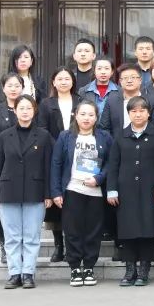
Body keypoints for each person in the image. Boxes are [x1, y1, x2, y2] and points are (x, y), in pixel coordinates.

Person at [0, 94, 53, 289]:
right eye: (21, 108)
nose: (25, 112)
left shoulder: (44, 135)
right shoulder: (5, 135)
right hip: (8, 190)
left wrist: (48, 194)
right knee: (12, 236)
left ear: (35, 111)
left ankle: (28, 274)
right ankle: (14, 273)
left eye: (29, 108)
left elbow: (48, 167)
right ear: (15, 111)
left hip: (35, 191)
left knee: (32, 236)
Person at [51, 100, 113, 287]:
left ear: (96, 117)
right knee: (72, 231)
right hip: (72, 189)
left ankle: (89, 266)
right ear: (75, 116)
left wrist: (99, 178)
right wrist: (56, 192)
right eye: (83, 114)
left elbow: (111, 163)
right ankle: (75, 267)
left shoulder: (104, 137)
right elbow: (56, 163)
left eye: (91, 115)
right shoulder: (65, 136)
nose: (87, 118)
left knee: (93, 231)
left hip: (95, 192)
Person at [107, 96, 154, 287]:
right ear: (129, 114)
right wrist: (112, 189)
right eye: (134, 111)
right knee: (127, 230)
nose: (138, 114)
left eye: (142, 111)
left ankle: (144, 270)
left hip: (150, 190)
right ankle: (130, 269)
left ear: (148, 113)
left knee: (148, 229)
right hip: (125, 191)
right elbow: (113, 165)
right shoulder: (121, 136)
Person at [38, 67, 77, 263]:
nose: (63, 82)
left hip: (78, 155)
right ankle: (58, 245)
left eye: (67, 78)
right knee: (56, 201)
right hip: (54, 155)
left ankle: (71, 244)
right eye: (59, 79)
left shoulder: (80, 101)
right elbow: (43, 129)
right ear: (53, 82)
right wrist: (60, 146)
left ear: (72, 81)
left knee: (73, 199)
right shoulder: (46, 104)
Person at [0, 73, 25, 266]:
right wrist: (10, 149)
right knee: (3, 205)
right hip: (2, 163)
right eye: (9, 85)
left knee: (24, 204)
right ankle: (5, 246)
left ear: (22, 87)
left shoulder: (27, 107)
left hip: (26, 163)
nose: (13, 88)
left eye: (17, 85)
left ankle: (22, 246)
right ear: (3, 88)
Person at [99, 64, 145, 135]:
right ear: (120, 81)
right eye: (125, 78)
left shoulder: (150, 101)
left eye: (133, 77)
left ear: (140, 80)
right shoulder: (112, 101)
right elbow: (104, 127)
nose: (129, 81)